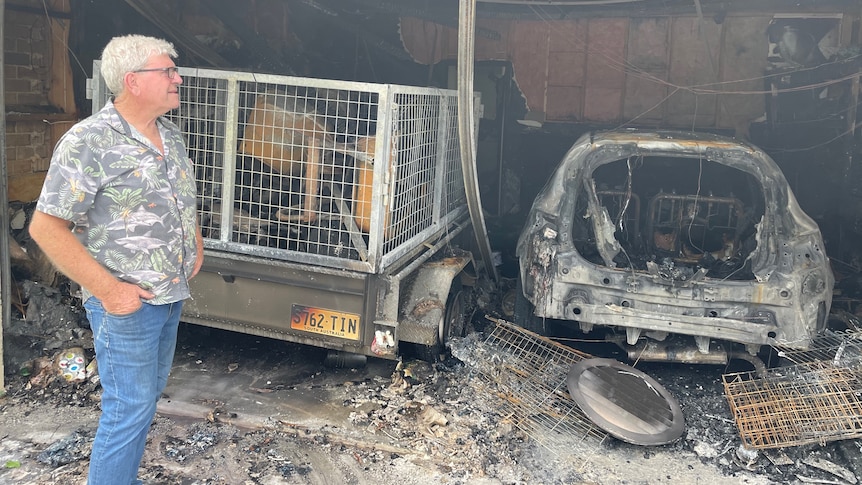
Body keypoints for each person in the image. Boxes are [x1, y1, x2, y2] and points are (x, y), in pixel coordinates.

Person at [29, 34, 204, 485]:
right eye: (167, 71)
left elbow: (179, 199)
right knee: (127, 410)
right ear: (132, 81)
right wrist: (110, 291)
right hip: (127, 304)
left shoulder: (169, 133)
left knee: (143, 402)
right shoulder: (88, 141)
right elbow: (46, 228)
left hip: (169, 295)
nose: (176, 78)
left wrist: (195, 242)